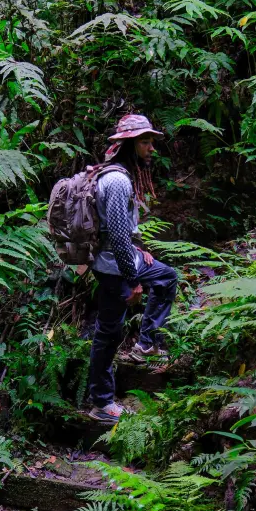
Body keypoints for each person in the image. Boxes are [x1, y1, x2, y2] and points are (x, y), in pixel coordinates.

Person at [88, 114, 178, 422]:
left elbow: (121, 231)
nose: (151, 147)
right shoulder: (117, 181)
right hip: (114, 268)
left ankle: (145, 343)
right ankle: (101, 403)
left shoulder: (117, 175)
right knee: (108, 335)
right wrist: (134, 279)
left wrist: (139, 251)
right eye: (144, 141)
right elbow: (115, 234)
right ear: (128, 145)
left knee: (166, 277)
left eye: (151, 140)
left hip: (121, 260)